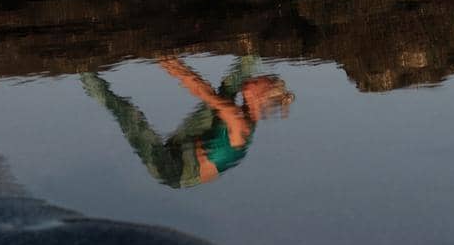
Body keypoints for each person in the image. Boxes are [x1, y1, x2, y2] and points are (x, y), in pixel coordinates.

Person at [81, 55, 295, 189]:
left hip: (175, 169)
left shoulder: (239, 121)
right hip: (193, 147)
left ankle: (84, 72)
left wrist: (172, 66)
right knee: (227, 92)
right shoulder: (248, 122)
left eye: (258, 80)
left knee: (127, 114)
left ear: (261, 95)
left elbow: (202, 91)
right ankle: (252, 50)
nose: (253, 79)